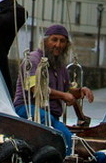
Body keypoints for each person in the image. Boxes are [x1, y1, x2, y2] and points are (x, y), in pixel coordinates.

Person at [13, 24, 94, 155]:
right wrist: (63, 96)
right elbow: (35, 89)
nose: (58, 44)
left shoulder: (61, 66)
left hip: (51, 116)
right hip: (27, 109)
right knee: (55, 132)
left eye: (62, 41)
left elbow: (67, 91)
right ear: (45, 41)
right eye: (54, 40)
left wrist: (81, 91)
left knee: (67, 136)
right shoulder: (33, 60)